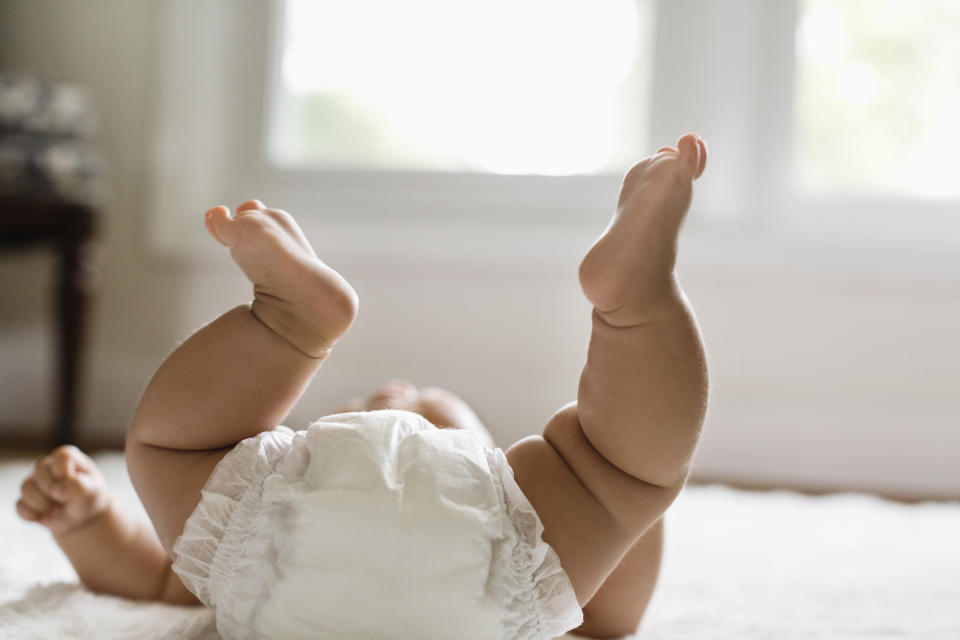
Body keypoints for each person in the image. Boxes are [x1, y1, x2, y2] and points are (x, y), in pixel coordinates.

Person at [16, 133, 709, 639]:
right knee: (627, 470)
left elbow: (153, 580)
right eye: (378, 406)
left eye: (418, 405)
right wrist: (614, 498)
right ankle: (638, 309)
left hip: (286, 566)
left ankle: (287, 327)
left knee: (169, 446)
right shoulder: (527, 552)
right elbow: (616, 608)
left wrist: (89, 526)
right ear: (498, 475)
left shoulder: (276, 523)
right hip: (482, 589)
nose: (396, 405)